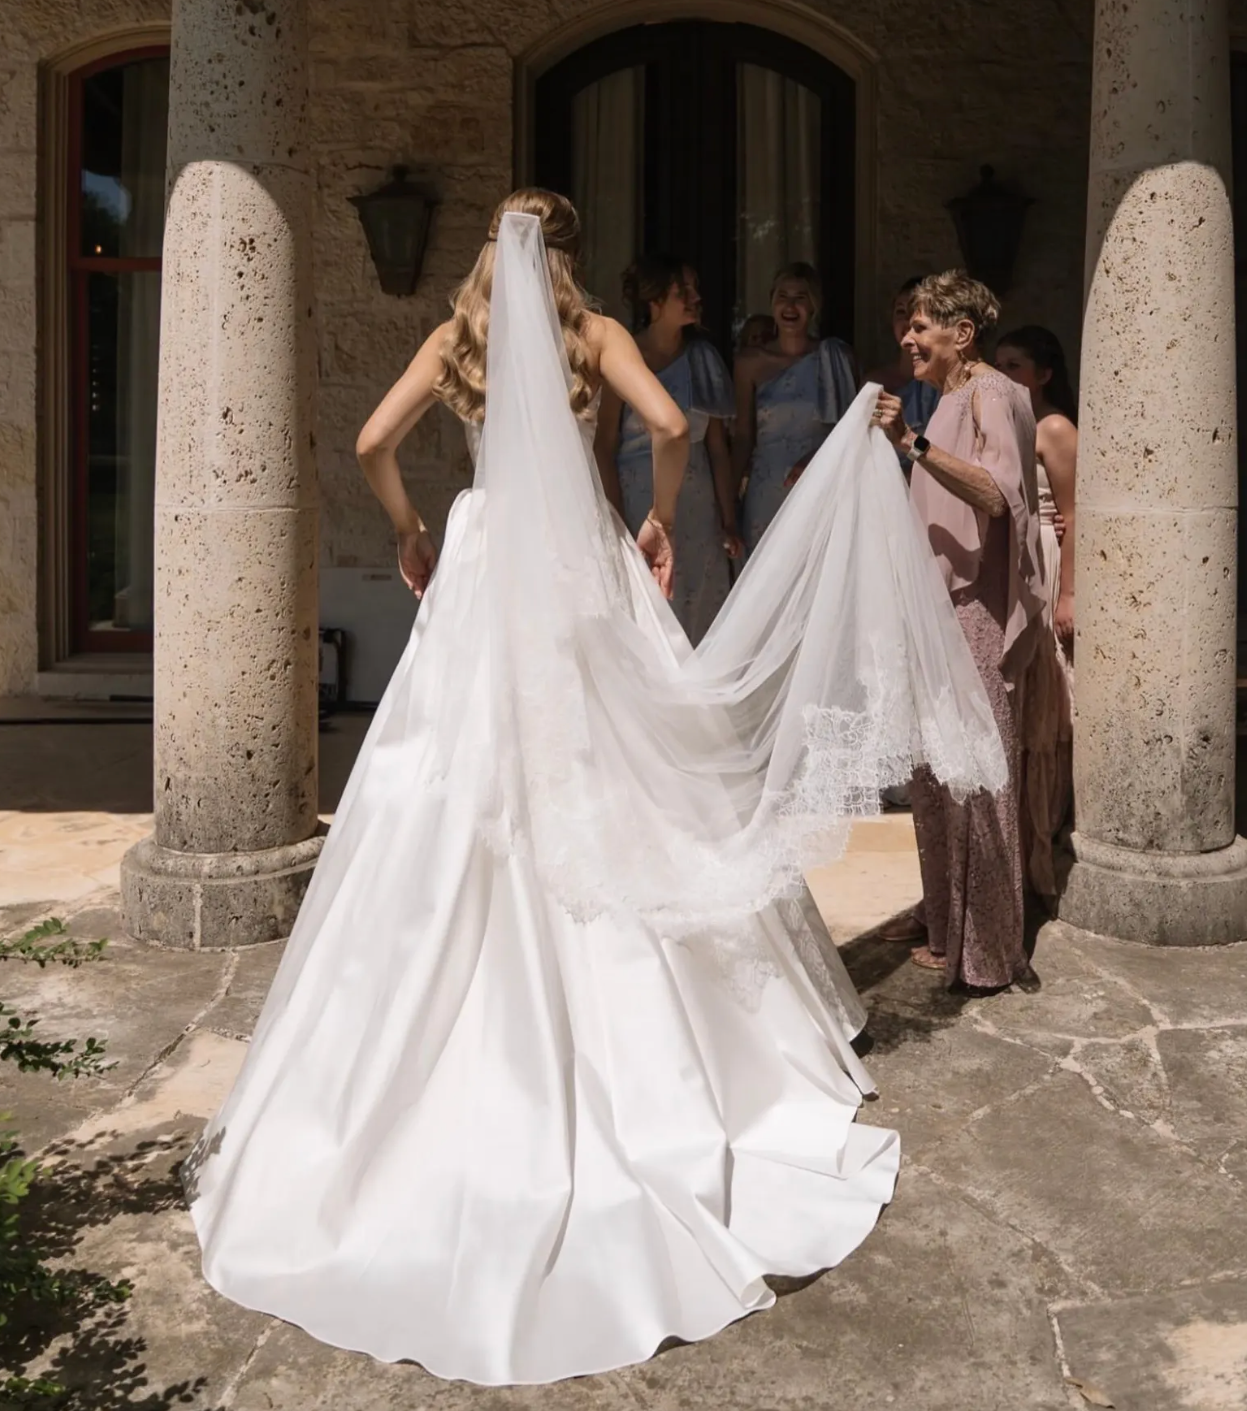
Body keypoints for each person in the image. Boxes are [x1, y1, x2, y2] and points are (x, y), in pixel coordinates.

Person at [187, 193, 1007, 1385]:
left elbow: (370, 440)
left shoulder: (456, 333)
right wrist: (657, 517)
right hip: (575, 557)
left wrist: (417, 531)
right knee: (621, 780)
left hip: (481, 564)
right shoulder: (594, 333)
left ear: (489, 251)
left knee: (453, 793)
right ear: (563, 257)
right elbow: (672, 421)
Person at [872, 271, 1044, 991]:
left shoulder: (991, 396)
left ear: (961, 334)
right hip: (930, 608)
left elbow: (997, 497)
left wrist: (910, 443)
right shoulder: (943, 400)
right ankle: (945, 922)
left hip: (971, 608)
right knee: (934, 774)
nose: (907, 340)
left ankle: (989, 949)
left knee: (975, 773)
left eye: (918, 327)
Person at [595, 255, 742, 643]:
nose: (696, 298)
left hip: (697, 505)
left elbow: (717, 448)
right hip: (638, 499)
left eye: (696, 290)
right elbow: (604, 446)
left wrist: (728, 520)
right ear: (654, 301)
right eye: (683, 292)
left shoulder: (704, 359)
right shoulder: (622, 358)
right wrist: (616, 524)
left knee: (698, 608)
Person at [995, 324, 1077, 902]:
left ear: (1044, 374)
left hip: (1048, 565)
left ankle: (1044, 846)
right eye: (999, 365)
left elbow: (1076, 516)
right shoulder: (1006, 424)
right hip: (1014, 566)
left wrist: (1068, 594)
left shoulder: (1054, 428)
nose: (1005, 377)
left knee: (1049, 703)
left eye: (1015, 366)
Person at [733, 264, 858, 550]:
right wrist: (728, 504)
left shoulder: (836, 356)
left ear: (814, 305)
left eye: (800, 297)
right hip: (766, 491)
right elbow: (742, 436)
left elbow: (853, 429)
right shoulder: (749, 363)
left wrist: (815, 459)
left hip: (820, 484)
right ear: (772, 301)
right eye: (783, 296)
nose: (790, 305)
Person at [868, 276, 941, 450]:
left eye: (917, 312)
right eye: (901, 311)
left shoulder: (941, 384)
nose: (908, 320)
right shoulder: (874, 382)